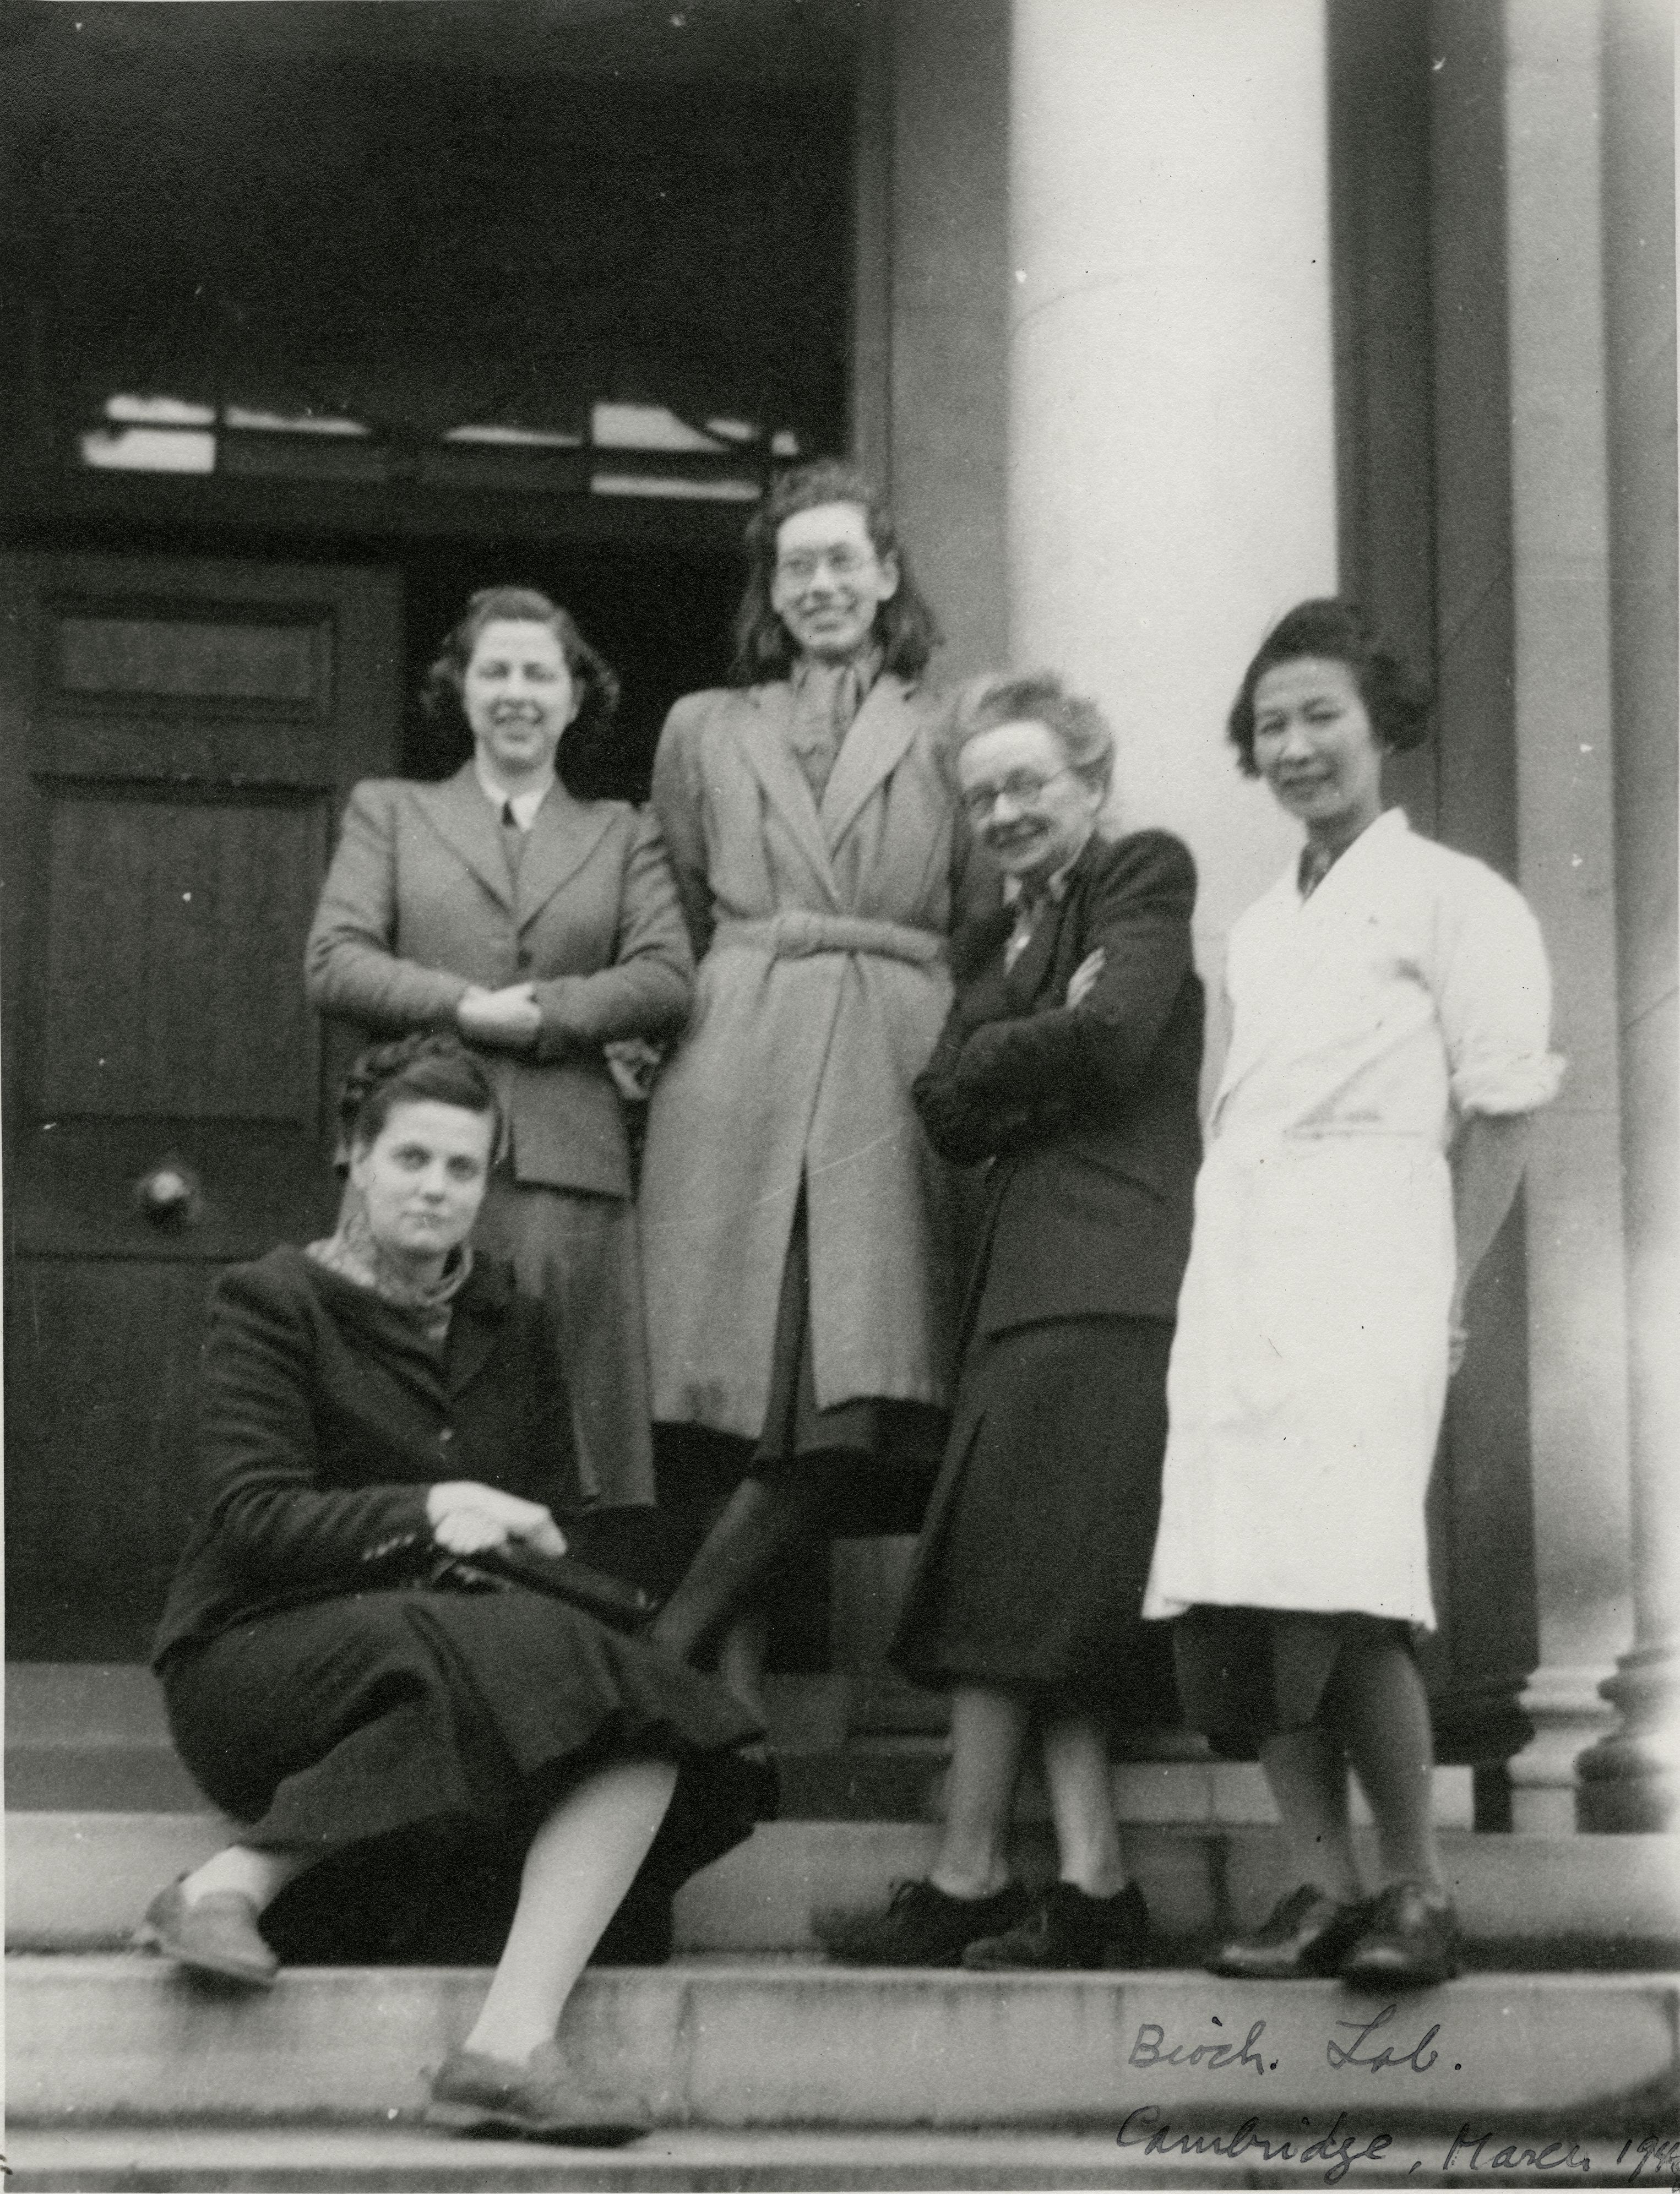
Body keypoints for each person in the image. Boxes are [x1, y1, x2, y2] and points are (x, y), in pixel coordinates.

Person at [139, 1036, 765, 2143]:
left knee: (648, 1732)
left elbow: (536, 1523)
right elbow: (251, 1518)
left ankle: (507, 2045)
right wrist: (428, 1511)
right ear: (354, 1157)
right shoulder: (274, 1301)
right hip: (258, 1661)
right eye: (411, 1159)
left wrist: (536, 1561)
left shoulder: (510, 1320)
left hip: (444, 1665)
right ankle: (232, 1879)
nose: (435, 1189)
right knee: (477, 1653)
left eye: (462, 1169)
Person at [1143, 600, 1563, 1989]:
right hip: (1242, 1265)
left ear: (1379, 723)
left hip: (1370, 1254)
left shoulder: (1457, 897)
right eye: (1269, 725)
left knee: (1342, 1581)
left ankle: (1418, 1891)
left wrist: (1434, 1285)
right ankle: (1319, 1887)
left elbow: (1499, 1112)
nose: (1295, 745)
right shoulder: (1257, 926)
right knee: (1235, 1586)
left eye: (1320, 714)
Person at [816, 672, 1203, 1970]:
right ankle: (1089, 1883)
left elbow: (1115, 1039)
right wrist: (1041, 1033)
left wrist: (1020, 1048)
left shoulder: (1140, 873)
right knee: (1035, 1581)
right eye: (981, 794)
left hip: (1106, 1277)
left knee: (1010, 1576)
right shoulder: (995, 937)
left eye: (1028, 782)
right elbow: (942, 1106)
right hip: (1025, 1281)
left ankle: (971, 1871)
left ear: (1089, 783)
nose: (1003, 810)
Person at [639, 460, 971, 1698]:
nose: (821, 584)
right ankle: (723, 1707)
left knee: (843, 1407)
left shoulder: (951, 730)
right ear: (769, 594)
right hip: (734, 1070)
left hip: (889, 1069)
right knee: (738, 1399)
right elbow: (668, 903)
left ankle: (666, 1660)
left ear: (886, 577)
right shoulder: (703, 728)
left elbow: (981, 918)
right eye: (797, 566)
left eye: (844, 560)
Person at [306, 586, 691, 1512]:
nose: (517, 692)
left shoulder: (620, 832)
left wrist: (551, 1012)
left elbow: (667, 975)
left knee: (564, 1434)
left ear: (574, 697)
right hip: (419, 1147)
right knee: (401, 1401)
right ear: (462, 691)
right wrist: (465, 1008)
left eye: (539, 672)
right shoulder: (392, 812)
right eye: (496, 671)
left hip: (568, 1169)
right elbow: (335, 961)